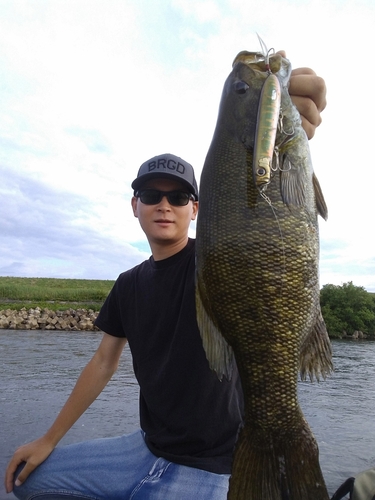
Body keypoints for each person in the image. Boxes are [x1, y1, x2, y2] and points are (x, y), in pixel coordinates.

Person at [5, 63, 327, 499]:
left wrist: (292, 124)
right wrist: (49, 439)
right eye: (152, 195)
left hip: (213, 463)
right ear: (134, 206)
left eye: (178, 196)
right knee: (30, 481)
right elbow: (103, 363)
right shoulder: (128, 284)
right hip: (146, 447)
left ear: (196, 209)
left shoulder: (215, 262)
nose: (164, 205)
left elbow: (261, 218)